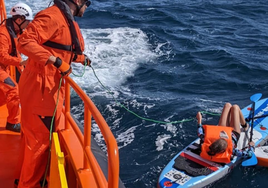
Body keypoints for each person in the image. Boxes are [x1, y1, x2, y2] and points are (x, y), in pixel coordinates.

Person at [16, 0, 91, 187]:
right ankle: (28, 184)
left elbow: (59, 48)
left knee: (36, 138)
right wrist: (56, 62)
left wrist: (80, 59)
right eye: (87, 2)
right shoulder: (52, 16)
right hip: (41, 91)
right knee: (39, 143)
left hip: (48, 89)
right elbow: (24, 42)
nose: (88, 6)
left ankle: (28, 177)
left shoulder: (66, 20)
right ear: (78, 1)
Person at [0, 2, 33, 132]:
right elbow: (2, 56)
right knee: (13, 90)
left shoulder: (14, 31)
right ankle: (12, 123)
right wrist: (20, 63)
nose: (28, 25)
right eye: (27, 21)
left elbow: (17, 50)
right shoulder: (3, 34)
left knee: (3, 97)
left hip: (4, 68)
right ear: (19, 19)